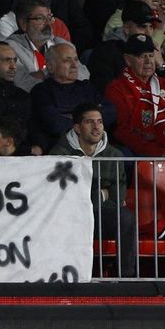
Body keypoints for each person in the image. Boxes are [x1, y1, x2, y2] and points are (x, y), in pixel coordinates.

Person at [49, 100, 137, 277]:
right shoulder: (59, 154)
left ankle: (127, 277)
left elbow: (118, 197)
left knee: (126, 217)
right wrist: (101, 194)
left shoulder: (115, 155)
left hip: (100, 216)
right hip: (69, 217)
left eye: (100, 122)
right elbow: (62, 198)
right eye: (89, 122)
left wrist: (89, 197)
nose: (97, 127)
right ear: (77, 128)